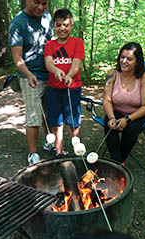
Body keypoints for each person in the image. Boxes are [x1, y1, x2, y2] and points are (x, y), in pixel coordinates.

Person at [8, 0, 53, 165]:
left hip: (50, 74)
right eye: (36, 2)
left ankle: (50, 142)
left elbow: (52, 42)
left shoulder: (47, 17)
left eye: (44, 3)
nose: (40, 7)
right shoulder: (18, 23)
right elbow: (17, 57)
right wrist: (28, 74)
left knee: (49, 113)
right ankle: (33, 154)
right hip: (30, 76)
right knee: (34, 116)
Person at [103, 42, 145, 163]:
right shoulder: (112, 74)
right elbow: (106, 100)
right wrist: (111, 118)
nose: (124, 61)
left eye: (129, 59)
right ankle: (117, 162)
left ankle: (117, 163)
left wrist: (127, 119)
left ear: (137, 61)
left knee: (131, 128)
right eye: (122, 57)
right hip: (117, 111)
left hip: (139, 113)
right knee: (109, 125)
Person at [44, 8, 85, 156]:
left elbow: (76, 63)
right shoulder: (49, 45)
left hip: (72, 88)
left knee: (73, 123)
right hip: (54, 89)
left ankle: (79, 152)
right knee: (56, 123)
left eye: (66, 25)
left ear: (71, 26)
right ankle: (59, 152)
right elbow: (48, 62)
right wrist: (56, 71)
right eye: (59, 25)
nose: (62, 28)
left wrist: (69, 75)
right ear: (54, 26)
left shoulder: (77, 43)